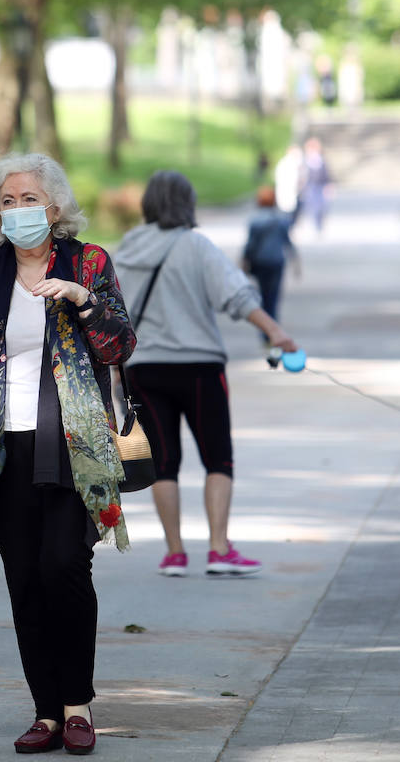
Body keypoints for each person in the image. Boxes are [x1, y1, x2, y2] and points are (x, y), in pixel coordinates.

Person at [0, 152, 135, 756]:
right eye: (8, 200)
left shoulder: (89, 262)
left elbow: (119, 346)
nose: (19, 210)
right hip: (0, 450)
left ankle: (78, 705)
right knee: (24, 578)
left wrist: (82, 298)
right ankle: (46, 712)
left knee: (64, 568)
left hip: (73, 449)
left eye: (30, 199)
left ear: (54, 207)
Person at [114, 171, 298, 579]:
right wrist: (275, 332)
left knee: (163, 462)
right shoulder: (195, 245)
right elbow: (236, 295)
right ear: (187, 203)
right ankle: (218, 548)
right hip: (199, 368)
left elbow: (111, 312)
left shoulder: (126, 248)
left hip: (143, 369)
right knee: (218, 457)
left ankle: (175, 553)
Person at [242, 185, 298, 324]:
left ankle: (267, 330)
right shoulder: (282, 219)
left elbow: (251, 244)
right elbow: (287, 242)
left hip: (260, 261)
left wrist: (244, 261)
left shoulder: (255, 220)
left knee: (263, 294)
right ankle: (272, 325)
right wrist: (296, 261)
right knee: (273, 296)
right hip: (276, 261)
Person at [299, 136, 333, 236]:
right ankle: (314, 225)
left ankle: (319, 225)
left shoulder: (321, 160)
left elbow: (327, 174)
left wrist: (329, 185)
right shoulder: (305, 161)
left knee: (322, 207)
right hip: (310, 186)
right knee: (311, 207)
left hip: (320, 186)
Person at [272, 142, 304, 218]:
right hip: (287, 194)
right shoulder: (285, 164)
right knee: (285, 216)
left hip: (293, 194)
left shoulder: (295, 164)